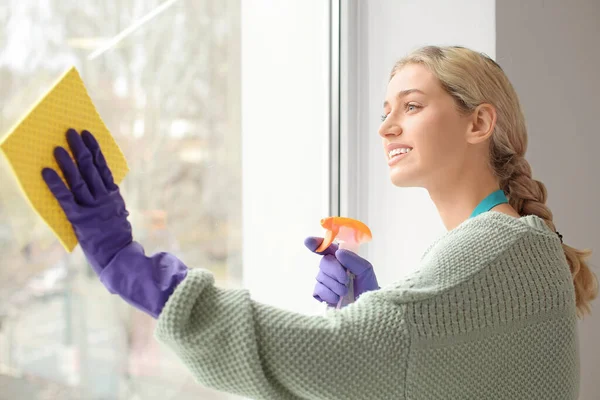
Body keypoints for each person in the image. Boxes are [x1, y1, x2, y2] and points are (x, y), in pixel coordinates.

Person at [42, 45, 597, 400]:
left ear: (478, 122)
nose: (386, 128)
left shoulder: (498, 247)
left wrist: (137, 271)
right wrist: (383, 317)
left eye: (410, 106)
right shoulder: (522, 248)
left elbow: (321, 354)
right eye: (383, 112)